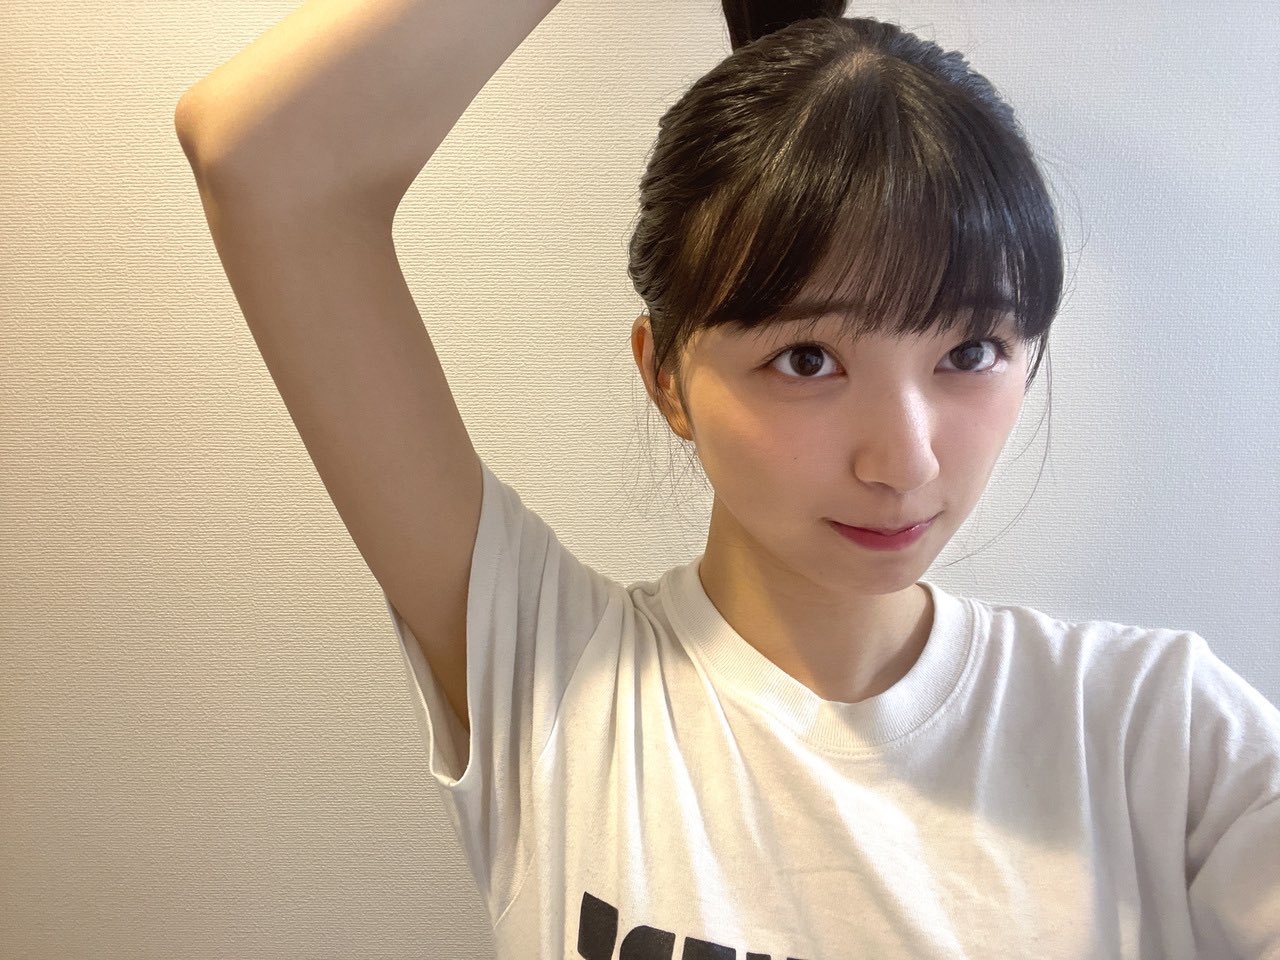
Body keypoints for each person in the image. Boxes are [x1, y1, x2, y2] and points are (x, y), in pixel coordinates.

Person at [175, 0, 1280, 956]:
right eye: (806, 360)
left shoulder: (1160, 735)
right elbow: (263, 158)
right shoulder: (552, 679)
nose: (903, 463)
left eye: (970, 351)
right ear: (665, 377)